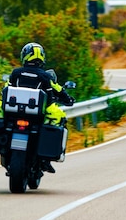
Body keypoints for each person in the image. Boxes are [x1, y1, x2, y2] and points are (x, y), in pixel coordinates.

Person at [7, 42, 75, 173]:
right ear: (41, 57)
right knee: (52, 125)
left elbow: (6, 89)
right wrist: (68, 99)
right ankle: (45, 160)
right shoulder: (45, 76)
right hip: (36, 117)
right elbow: (58, 90)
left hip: (14, 114)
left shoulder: (16, 73)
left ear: (25, 56)